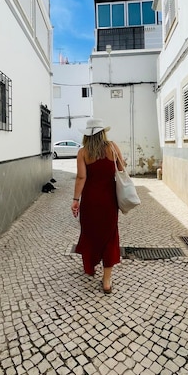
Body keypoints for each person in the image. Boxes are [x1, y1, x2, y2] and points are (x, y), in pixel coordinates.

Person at [71, 118, 125, 293]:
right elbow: (122, 168)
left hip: (90, 201)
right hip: (109, 200)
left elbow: (81, 178)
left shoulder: (83, 152)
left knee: (90, 233)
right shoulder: (112, 147)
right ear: (103, 132)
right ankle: (107, 281)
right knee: (109, 236)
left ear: (87, 135)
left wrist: (75, 200)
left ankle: (90, 267)